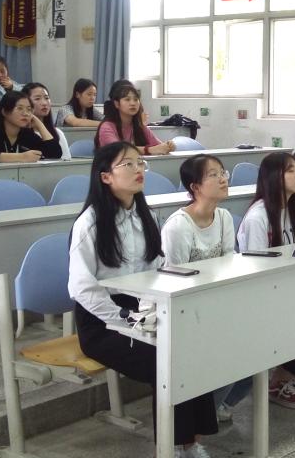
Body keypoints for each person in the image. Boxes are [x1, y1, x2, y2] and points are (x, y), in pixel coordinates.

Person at [68, 141, 218, 457]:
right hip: (102, 322)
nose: (139, 170)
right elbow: (82, 289)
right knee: (168, 360)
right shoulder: (89, 223)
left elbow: (157, 265)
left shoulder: (143, 214)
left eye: (141, 163)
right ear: (105, 176)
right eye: (128, 164)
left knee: (195, 346)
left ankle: (191, 441)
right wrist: (125, 320)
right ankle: (171, 446)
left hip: (142, 310)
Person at [236, 152, 295, 408]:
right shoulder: (257, 217)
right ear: (273, 177)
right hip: (265, 293)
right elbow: (256, 271)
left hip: (291, 287)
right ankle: (280, 380)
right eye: (290, 171)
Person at [159, 155, 244, 422]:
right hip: (185, 309)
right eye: (213, 175)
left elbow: (229, 264)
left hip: (215, 303)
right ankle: (198, 419)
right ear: (195, 187)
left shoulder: (224, 217)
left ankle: (213, 408)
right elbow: (175, 279)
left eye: (223, 173)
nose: (223, 179)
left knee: (253, 344)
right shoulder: (178, 226)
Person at [0, 90, 62, 163]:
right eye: (20, 108)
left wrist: (40, 125)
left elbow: (55, 153)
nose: (26, 113)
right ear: (5, 112)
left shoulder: (26, 134)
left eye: (29, 109)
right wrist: (21, 157)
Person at [96, 80, 174, 154]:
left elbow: (158, 145)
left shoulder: (140, 126)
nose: (133, 103)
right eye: (127, 99)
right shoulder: (107, 126)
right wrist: (149, 150)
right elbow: (118, 149)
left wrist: (168, 146)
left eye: (136, 99)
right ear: (117, 104)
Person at [22, 82, 72, 159]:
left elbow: (66, 160)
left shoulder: (58, 133)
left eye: (46, 98)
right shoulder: (21, 134)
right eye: (37, 99)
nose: (44, 103)